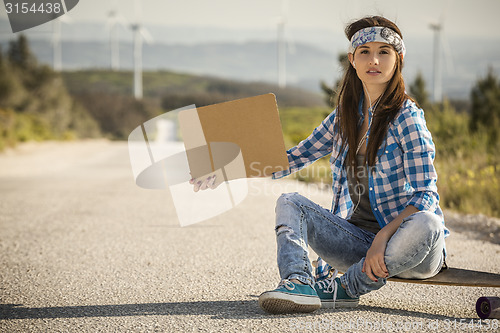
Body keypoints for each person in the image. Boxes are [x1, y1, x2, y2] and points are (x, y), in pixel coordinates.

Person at [258, 15, 449, 314]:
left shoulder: (406, 117)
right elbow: (295, 156)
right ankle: (298, 282)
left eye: (384, 52)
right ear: (352, 59)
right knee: (289, 201)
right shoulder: (344, 116)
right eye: (365, 52)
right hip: (359, 246)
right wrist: (226, 169)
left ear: (398, 59)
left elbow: (426, 196)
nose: (374, 60)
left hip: (411, 249)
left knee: (429, 223)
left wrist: (383, 238)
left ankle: (346, 288)